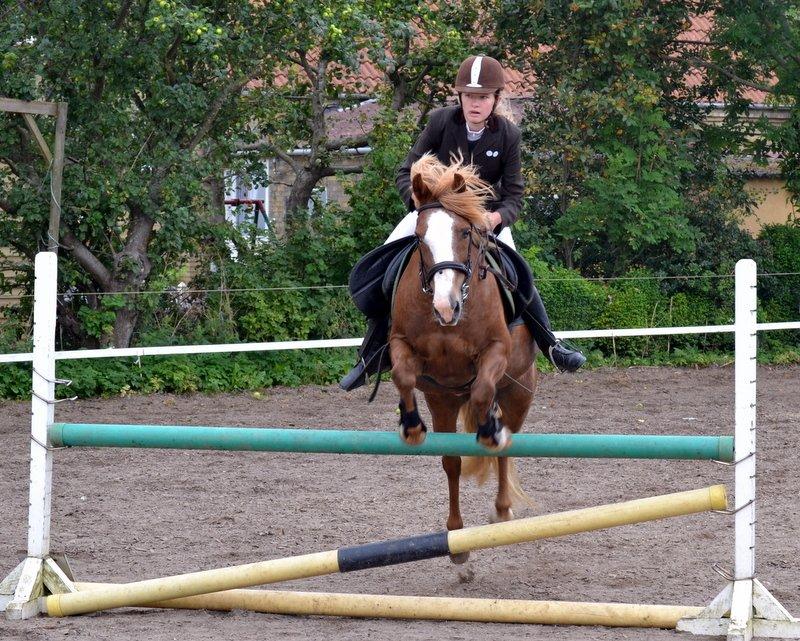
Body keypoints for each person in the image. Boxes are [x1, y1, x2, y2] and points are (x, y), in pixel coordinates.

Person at [340, 55, 585, 392]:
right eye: (470, 97)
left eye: (483, 97)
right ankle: (369, 355)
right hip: (436, 214)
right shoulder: (442, 122)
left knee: (519, 274)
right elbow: (405, 171)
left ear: (495, 99)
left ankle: (552, 345)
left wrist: (495, 218)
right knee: (385, 266)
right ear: (460, 98)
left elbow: (514, 195)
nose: (475, 103)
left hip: (483, 220)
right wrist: (418, 201)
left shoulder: (508, 135)